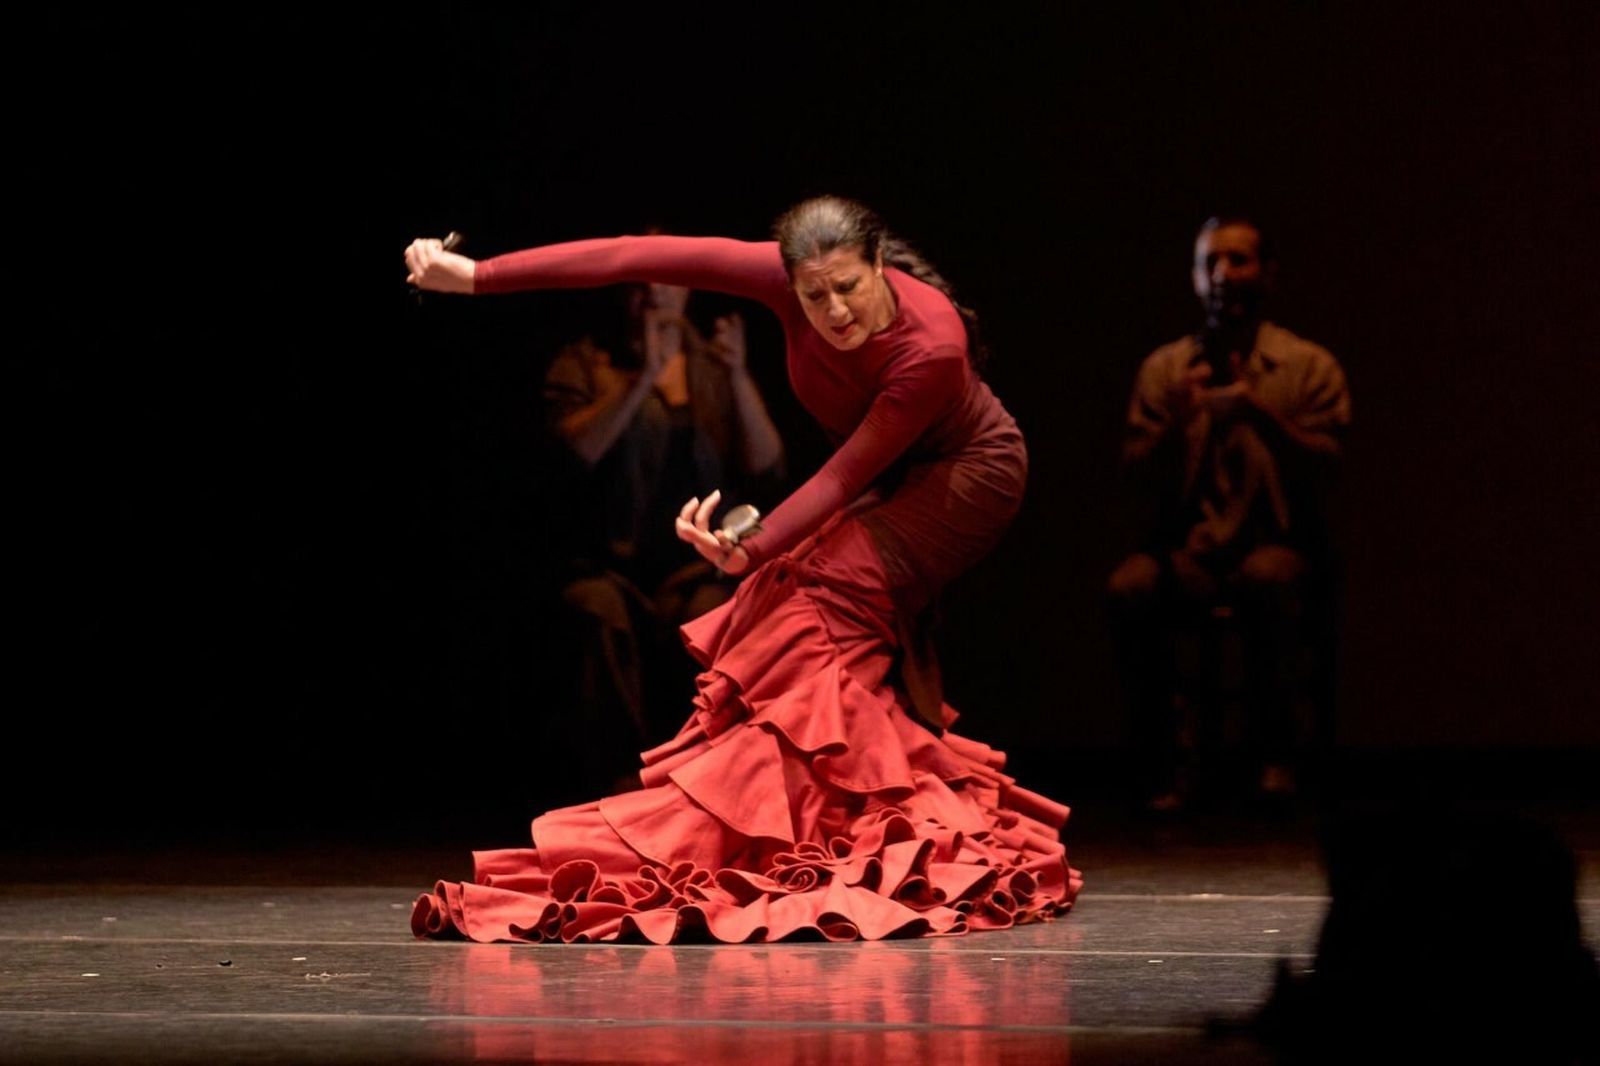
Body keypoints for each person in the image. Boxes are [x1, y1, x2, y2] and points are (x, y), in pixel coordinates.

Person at [404, 195, 1081, 943]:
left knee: (812, 604)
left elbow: (842, 477)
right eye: (814, 295)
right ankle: (828, 824)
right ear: (791, 281)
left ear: (879, 264)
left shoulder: (933, 346)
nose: (834, 311)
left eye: (848, 287)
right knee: (790, 606)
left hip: (970, 476)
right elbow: (634, 254)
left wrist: (750, 546)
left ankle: (861, 825)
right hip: (893, 474)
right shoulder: (780, 277)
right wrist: (477, 276)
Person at [1108, 216, 1351, 812]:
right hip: (1190, 552)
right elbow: (1132, 477)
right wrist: (1180, 421)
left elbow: (1332, 468)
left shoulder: (1308, 367)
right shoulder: (1166, 371)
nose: (1223, 274)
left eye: (1238, 260)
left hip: (1277, 545)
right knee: (1132, 586)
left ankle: (1276, 759)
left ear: (1267, 273)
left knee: (1269, 578)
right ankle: (1167, 763)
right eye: (1210, 263)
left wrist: (1258, 412)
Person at [541, 279, 785, 793]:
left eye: (667, 283)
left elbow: (767, 468)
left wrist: (737, 375)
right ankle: (617, 784)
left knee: (712, 615)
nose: (655, 296)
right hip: (610, 566)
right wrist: (645, 377)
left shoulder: (712, 365)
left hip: (695, 566)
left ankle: (702, 781)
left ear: (687, 292)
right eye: (641, 286)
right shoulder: (587, 362)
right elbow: (572, 454)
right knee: (596, 610)